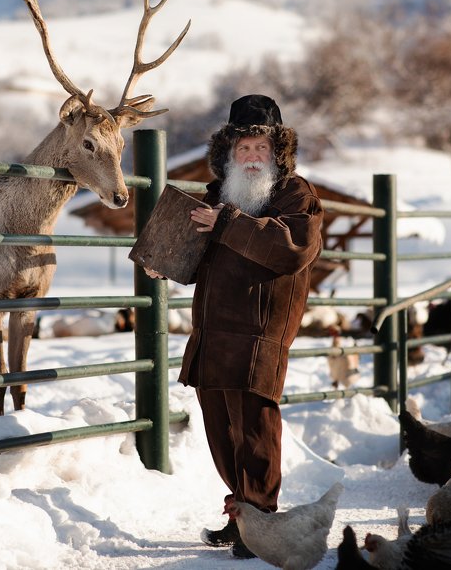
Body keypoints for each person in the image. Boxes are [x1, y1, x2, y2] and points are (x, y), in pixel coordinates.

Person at [146, 94, 324, 559]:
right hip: (213, 331)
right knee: (221, 429)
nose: (250, 158)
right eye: (242, 149)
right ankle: (244, 515)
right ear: (228, 153)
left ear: (277, 154)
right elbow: (193, 250)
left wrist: (225, 223)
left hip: (260, 331)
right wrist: (164, 260)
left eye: (259, 149)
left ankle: (260, 519)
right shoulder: (217, 196)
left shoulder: (295, 195)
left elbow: (290, 250)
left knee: (255, 428)